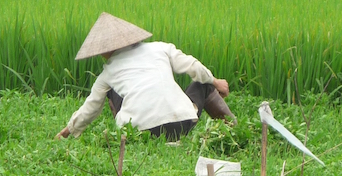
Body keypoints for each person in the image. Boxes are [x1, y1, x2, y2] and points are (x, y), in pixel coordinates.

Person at [55, 12, 235, 141]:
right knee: (204, 84)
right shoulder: (161, 48)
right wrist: (215, 81)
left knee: (110, 91)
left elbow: (90, 109)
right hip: (182, 123)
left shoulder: (107, 74)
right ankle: (234, 129)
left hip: (142, 132)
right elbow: (193, 66)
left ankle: (128, 131)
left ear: (107, 50)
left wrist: (67, 131)